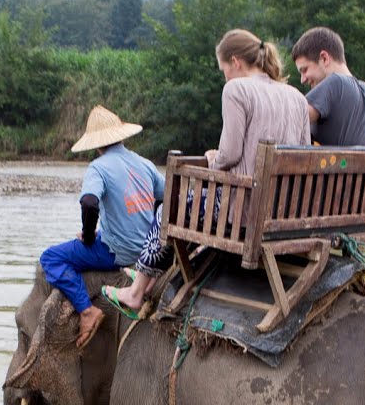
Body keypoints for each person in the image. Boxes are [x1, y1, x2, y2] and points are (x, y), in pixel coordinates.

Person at [104, 28, 309, 315]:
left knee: (168, 209)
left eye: (224, 69)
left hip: (243, 210)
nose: (225, 76)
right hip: (285, 211)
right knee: (188, 203)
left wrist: (213, 158)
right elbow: (303, 154)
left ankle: (136, 292)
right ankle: (149, 274)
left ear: (235, 61)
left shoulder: (237, 89)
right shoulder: (296, 96)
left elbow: (230, 154)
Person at [39, 105, 164, 347]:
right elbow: (167, 195)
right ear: (121, 136)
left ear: (96, 145)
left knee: (50, 258)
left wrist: (87, 236)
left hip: (120, 252)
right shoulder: (144, 163)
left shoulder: (98, 167)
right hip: (149, 249)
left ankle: (87, 310)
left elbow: (89, 202)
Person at [290, 26, 365, 147]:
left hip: (326, 160)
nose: (303, 79)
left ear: (324, 58)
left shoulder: (336, 83)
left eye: (304, 70)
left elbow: (291, 118)